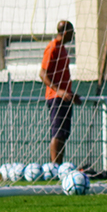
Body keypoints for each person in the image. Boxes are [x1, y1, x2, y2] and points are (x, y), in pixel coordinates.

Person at [39, 20, 82, 164]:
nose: (73, 35)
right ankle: (54, 166)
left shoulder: (63, 48)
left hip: (64, 97)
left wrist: (70, 93)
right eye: (71, 32)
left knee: (63, 134)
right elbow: (43, 73)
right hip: (55, 97)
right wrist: (59, 91)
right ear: (64, 33)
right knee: (57, 133)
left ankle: (59, 164)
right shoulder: (52, 48)